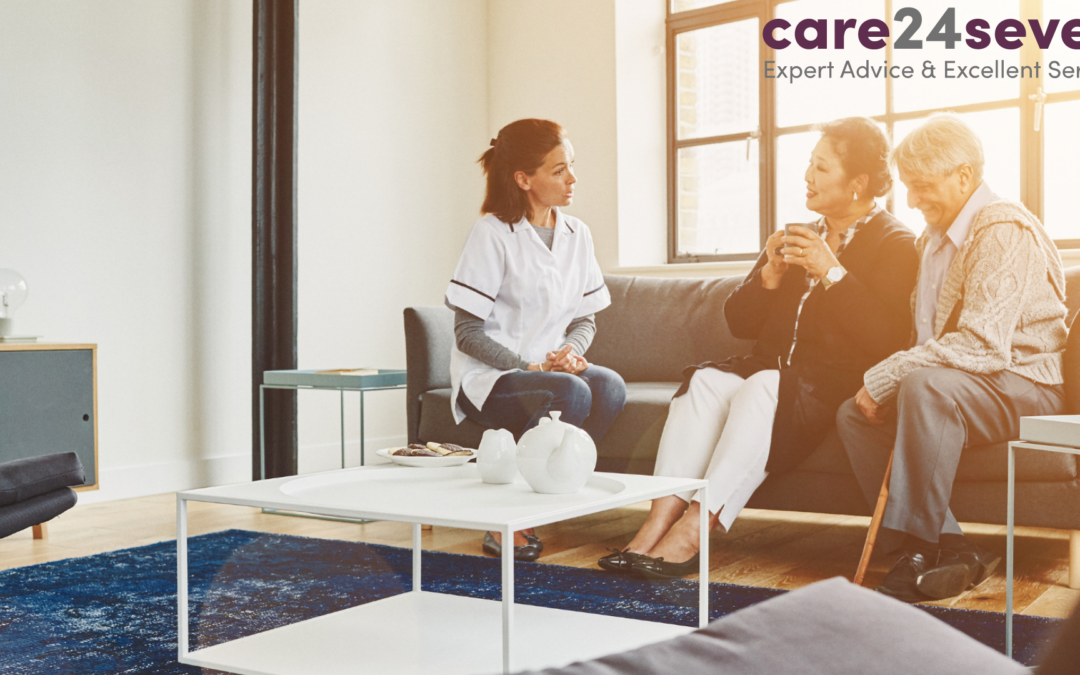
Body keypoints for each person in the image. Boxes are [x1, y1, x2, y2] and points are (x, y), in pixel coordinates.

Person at [598, 117, 920, 579]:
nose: (807, 176)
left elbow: (886, 338)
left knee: (765, 384)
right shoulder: (798, 236)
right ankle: (653, 526)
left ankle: (696, 528)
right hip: (769, 371)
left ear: (859, 183)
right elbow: (739, 322)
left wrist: (831, 271)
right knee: (706, 381)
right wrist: (767, 276)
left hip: (827, 384)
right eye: (809, 165)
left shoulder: (896, 244)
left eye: (821, 168)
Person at [836, 113, 1069, 603]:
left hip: (1026, 382)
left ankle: (920, 547)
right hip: (968, 384)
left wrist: (888, 375)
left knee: (924, 386)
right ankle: (956, 546)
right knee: (854, 414)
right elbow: (926, 339)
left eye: (922, 186)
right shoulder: (933, 240)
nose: (914, 201)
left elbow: (983, 344)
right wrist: (883, 382)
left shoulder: (1003, 229)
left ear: (964, 176)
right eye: (909, 188)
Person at [445, 118, 627, 562]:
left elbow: (585, 319)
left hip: (548, 374)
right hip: (492, 379)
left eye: (571, 167)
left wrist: (572, 352)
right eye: (559, 170)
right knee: (569, 391)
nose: (573, 179)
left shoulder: (576, 234)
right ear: (524, 179)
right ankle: (509, 520)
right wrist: (530, 366)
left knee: (608, 386)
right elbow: (467, 334)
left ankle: (549, 497)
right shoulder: (492, 234)